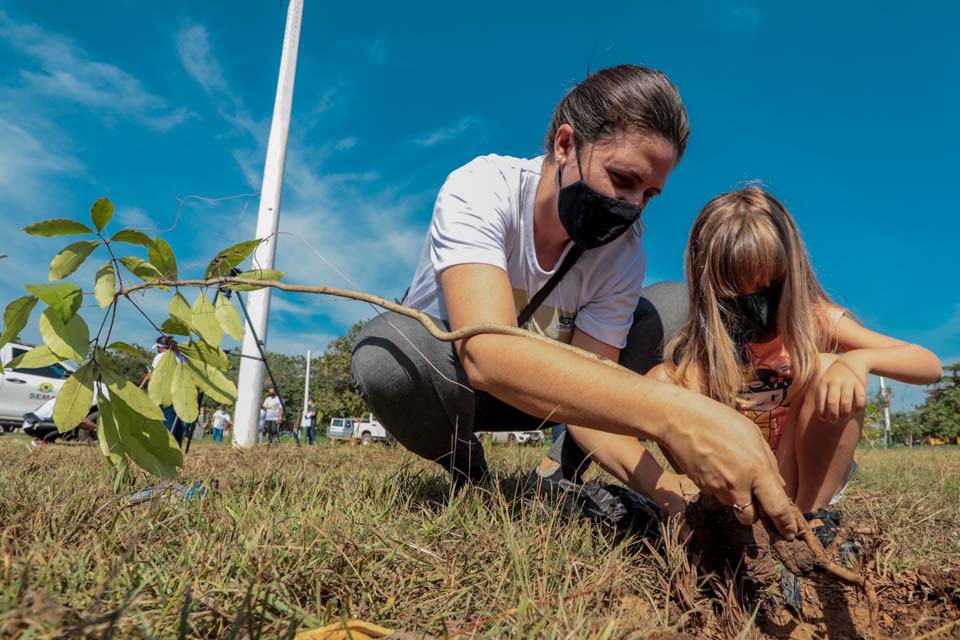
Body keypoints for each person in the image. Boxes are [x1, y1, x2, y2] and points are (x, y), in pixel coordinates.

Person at [351, 64, 800, 537]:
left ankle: (558, 468)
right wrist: (678, 414)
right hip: (460, 386)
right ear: (566, 145)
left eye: (649, 194)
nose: (632, 207)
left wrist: (670, 492)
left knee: (668, 307)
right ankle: (468, 472)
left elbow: (595, 392)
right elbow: (486, 353)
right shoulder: (482, 189)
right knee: (387, 353)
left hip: (552, 396)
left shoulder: (621, 254)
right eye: (622, 179)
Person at [648, 187, 942, 525]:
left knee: (829, 367)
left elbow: (929, 365)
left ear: (790, 274)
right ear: (710, 291)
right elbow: (640, 405)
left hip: (799, 477)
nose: (754, 304)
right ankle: (721, 518)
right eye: (735, 294)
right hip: (739, 482)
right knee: (661, 385)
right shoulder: (709, 347)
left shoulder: (814, 322)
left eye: (769, 287)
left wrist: (858, 361)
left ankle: (810, 521)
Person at [142, 335, 187, 446]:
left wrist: (141, 386)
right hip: (179, 393)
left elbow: (152, 375)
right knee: (177, 421)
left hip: (163, 394)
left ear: (161, 347)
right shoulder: (180, 357)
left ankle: (167, 446)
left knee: (166, 420)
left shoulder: (160, 357)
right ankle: (177, 445)